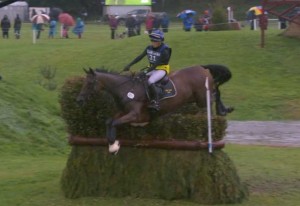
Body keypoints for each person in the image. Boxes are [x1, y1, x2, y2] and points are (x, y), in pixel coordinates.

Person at [123, 29, 172, 111]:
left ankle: (156, 102)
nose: (153, 42)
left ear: (160, 41)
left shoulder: (165, 50)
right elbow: (140, 57)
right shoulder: (149, 48)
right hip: (152, 68)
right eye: (152, 40)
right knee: (138, 77)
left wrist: (145, 72)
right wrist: (129, 65)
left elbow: (157, 64)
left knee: (151, 81)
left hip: (161, 69)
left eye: (155, 41)